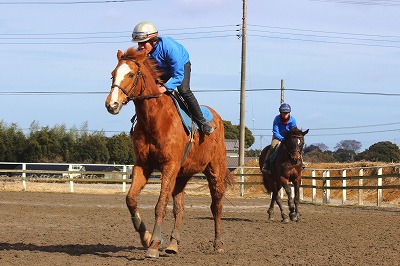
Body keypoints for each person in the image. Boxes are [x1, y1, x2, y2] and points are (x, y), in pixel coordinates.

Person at [131, 21, 214, 136]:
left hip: (180, 67)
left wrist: (164, 88)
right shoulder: (141, 51)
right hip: (161, 68)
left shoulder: (170, 49)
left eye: (143, 43)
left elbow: (178, 76)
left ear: (153, 41)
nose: (140, 46)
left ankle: (202, 122)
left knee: (183, 90)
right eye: (139, 43)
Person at [262, 103, 297, 173]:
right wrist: (281, 138)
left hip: (288, 138)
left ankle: (301, 163)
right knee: (273, 147)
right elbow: (275, 131)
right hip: (277, 137)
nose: (285, 114)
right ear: (280, 112)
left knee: (296, 147)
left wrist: (290, 139)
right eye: (283, 113)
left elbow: (294, 131)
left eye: (287, 113)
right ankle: (266, 164)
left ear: (289, 113)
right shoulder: (277, 119)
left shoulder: (293, 120)